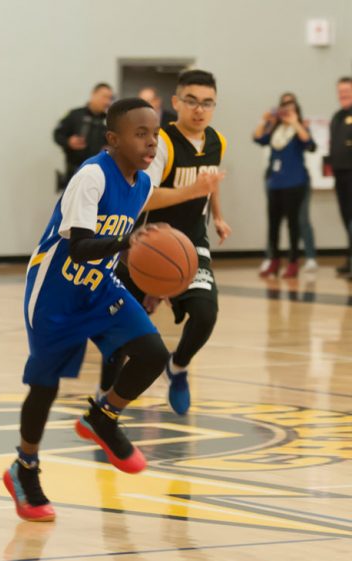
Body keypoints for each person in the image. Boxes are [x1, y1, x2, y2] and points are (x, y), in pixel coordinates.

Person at [4, 98, 222, 522]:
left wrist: (151, 284)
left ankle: (102, 417)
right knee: (45, 386)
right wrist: (130, 245)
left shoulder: (140, 184)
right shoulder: (91, 177)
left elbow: (127, 246)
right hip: (56, 292)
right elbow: (82, 246)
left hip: (101, 286)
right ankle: (24, 468)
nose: (151, 142)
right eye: (140, 134)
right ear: (112, 139)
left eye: (155, 134)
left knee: (153, 354)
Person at [102, 70, 231, 417]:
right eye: (191, 101)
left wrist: (217, 215)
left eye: (207, 103)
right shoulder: (162, 144)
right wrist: (191, 191)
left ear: (214, 107)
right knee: (120, 332)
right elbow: (142, 199)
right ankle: (105, 397)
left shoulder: (217, 140)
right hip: (145, 243)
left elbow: (210, 182)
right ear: (176, 103)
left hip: (190, 244)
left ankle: (178, 367)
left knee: (205, 315)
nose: (199, 109)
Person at [253, 95, 316, 278]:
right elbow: (258, 138)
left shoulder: (300, 128)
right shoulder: (275, 129)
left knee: (293, 224)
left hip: (295, 182)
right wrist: (265, 120)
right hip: (275, 183)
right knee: (273, 224)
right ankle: (274, 261)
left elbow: (308, 143)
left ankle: (293, 262)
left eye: (291, 108)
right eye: (284, 108)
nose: (287, 112)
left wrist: (295, 122)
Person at [53, 83, 113, 188]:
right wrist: (69, 141)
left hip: (101, 173)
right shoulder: (75, 115)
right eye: (104, 97)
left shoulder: (110, 120)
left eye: (109, 98)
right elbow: (57, 135)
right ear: (93, 94)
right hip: (75, 172)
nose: (107, 102)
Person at [329, 77, 352, 278]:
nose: (343, 95)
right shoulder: (337, 116)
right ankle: (350, 259)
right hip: (340, 173)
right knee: (346, 218)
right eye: (340, 91)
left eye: (347, 91)